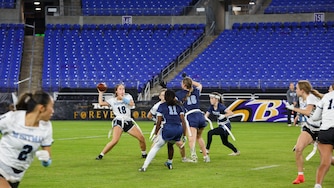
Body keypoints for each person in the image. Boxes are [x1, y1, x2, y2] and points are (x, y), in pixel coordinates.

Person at [0, 90, 54, 188]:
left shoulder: (46, 126)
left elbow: (48, 158)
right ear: (42, 108)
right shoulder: (13, 118)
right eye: (52, 107)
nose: (53, 111)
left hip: (17, 176)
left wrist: (46, 160)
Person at [139, 89, 187, 171]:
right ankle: (169, 162)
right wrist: (184, 134)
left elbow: (158, 122)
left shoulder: (162, 106)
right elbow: (183, 121)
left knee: (156, 147)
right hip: (178, 130)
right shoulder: (179, 106)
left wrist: (155, 133)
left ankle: (144, 166)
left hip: (168, 128)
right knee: (170, 144)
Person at [95, 83, 147, 160]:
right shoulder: (112, 100)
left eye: (123, 89)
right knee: (115, 140)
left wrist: (122, 98)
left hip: (127, 121)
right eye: (120, 89)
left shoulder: (128, 96)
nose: (122, 91)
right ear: (116, 91)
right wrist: (100, 93)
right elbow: (101, 103)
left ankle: (144, 154)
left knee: (141, 138)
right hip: (119, 120)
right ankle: (101, 155)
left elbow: (131, 104)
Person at [285, 80, 323, 184]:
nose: (295, 90)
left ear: (302, 90)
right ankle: (300, 176)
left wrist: (294, 109)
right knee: (298, 149)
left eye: (297, 88)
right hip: (310, 128)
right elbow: (305, 112)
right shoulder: (302, 98)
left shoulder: (310, 97)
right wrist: (297, 116)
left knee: (326, 158)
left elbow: (308, 111)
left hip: (321, 129)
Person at [175, 74, 210, 163]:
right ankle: (206, 157)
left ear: (184, 85)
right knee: (199, 137)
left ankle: (193, 157)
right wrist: (190, 80)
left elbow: (172, 100)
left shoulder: (179, 94)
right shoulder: (196, 91)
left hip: (191, 116)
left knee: (191, 138)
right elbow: (199, 85)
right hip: (200, 115)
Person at [312, 84, 334, 188]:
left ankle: (318, 185)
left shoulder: (326, 96)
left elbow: (315, 117)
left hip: (326, 131)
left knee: (325, 162)